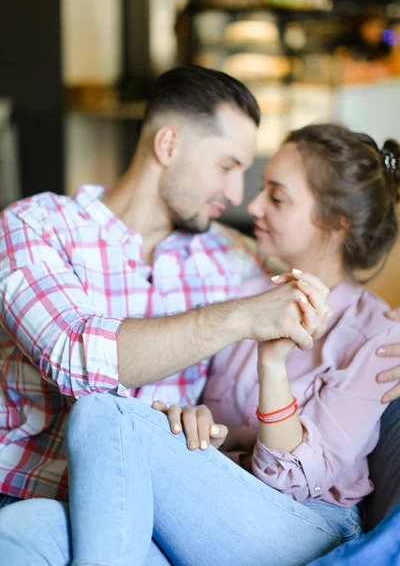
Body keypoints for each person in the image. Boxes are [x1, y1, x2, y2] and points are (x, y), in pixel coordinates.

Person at [0, 66, 330, 562]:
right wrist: (239, 317)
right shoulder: (35, 225)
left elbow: (327, 282)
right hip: (31, 492)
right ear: (169, 145)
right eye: (227, 166)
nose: (237, 194)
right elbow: (74, 353)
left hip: (159, 513)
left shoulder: (234, 256)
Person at [60, 124, 400, 566]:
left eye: (277, 198)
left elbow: (293, 482)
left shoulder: (377, 337)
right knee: (30, 530)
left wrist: (272, 366)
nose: (253, 205)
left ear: (337, 224)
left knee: (102, 412)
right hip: (221, 501)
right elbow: (213, 435)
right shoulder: (244, 292)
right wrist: (189, 420)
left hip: (308, 525)